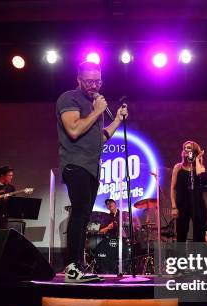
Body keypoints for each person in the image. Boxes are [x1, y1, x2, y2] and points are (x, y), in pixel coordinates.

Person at [57, 61, 128, 283]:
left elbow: (101, 138)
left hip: (92, 168)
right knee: (79, 212)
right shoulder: (69, 98)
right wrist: (97, 111)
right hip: (75, 164)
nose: (94, 86)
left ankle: (78, 266)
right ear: (78, 80)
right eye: (89, 81)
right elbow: (75, 129)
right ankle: (71, 267)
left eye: (98, 81)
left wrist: (116, 119)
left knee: (85, 215)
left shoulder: (97, 107)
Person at [170, 141, 207, 242]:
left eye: (189, 148)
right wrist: (174, 206)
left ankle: (198, 257)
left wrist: (197, 160)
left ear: (194, 151)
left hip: (197, 203)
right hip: (182, 203)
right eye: (185, 148)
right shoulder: (178, 167)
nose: (186, 150)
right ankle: (181, 257)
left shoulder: (200, 167)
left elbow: (200, 173)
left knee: (199, 232)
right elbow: (173, 188)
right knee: (181, 232)